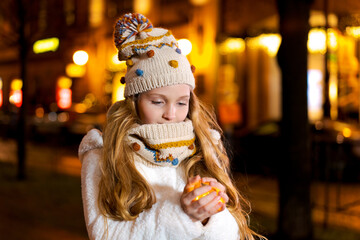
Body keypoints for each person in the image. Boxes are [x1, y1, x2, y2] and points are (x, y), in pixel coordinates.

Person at [79, 13, 265, 240]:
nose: (171, 114)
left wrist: (209, 214)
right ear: (134, 100)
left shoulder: (204, 146)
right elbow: (106, 235)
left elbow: (232, 233)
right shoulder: (103, 155)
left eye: (181, 102)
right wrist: (182, 213)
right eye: (157, 101)